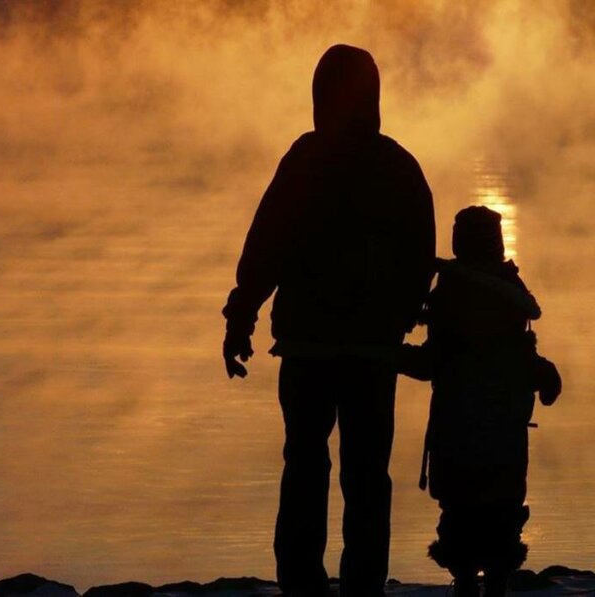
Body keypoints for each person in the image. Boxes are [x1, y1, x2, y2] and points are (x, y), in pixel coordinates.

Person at [222, 44, 435, 597]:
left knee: (305, 466)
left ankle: (302, 586)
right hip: (369, 352)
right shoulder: (400, 167)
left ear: (320, 98)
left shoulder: (305, 159)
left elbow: (266, 246)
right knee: (366, 475)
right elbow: (420, 258)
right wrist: (398, 319)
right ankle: (361, 588)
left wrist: (241, 316)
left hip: (309, 348)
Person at [399, 206, 559, 597]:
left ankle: (467, 582)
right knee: (502, 515)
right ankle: (496, 583)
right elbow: (524, 358)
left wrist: (389, 355)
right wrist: (546, 377)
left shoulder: (449, 294)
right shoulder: (510, 294)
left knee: (460, 515)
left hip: (456, 435)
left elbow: (431, 363)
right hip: (504, 438)